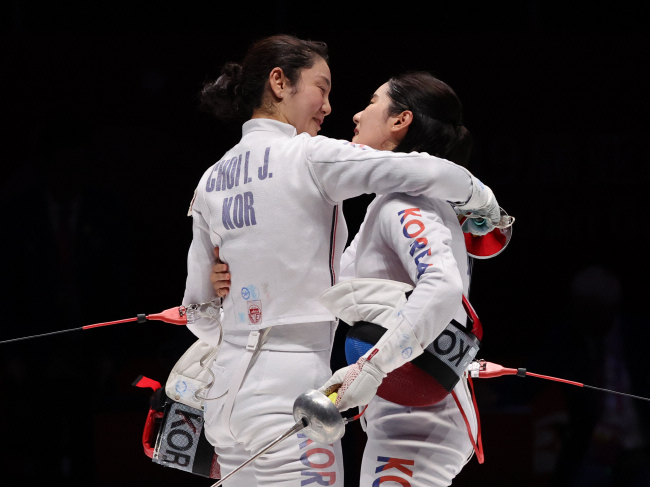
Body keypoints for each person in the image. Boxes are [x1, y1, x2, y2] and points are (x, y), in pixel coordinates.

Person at [186, 35, 500, 487]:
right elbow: (432, 170)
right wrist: (486, 204)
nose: (334, 108)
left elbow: (199, 315)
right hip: (293, 392)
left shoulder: (210, 179)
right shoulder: (310, 155)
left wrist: (237, 291)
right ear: (279, 82)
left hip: (227, 399)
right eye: (321, 87)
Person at [316, 72, 483, 486]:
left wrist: (373, 367)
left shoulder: (407, 203)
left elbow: (443, 288)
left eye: (372, 102)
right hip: (402, 409)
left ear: (400, 120)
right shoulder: (390, 204)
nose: (356, 113)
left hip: (421, 416)